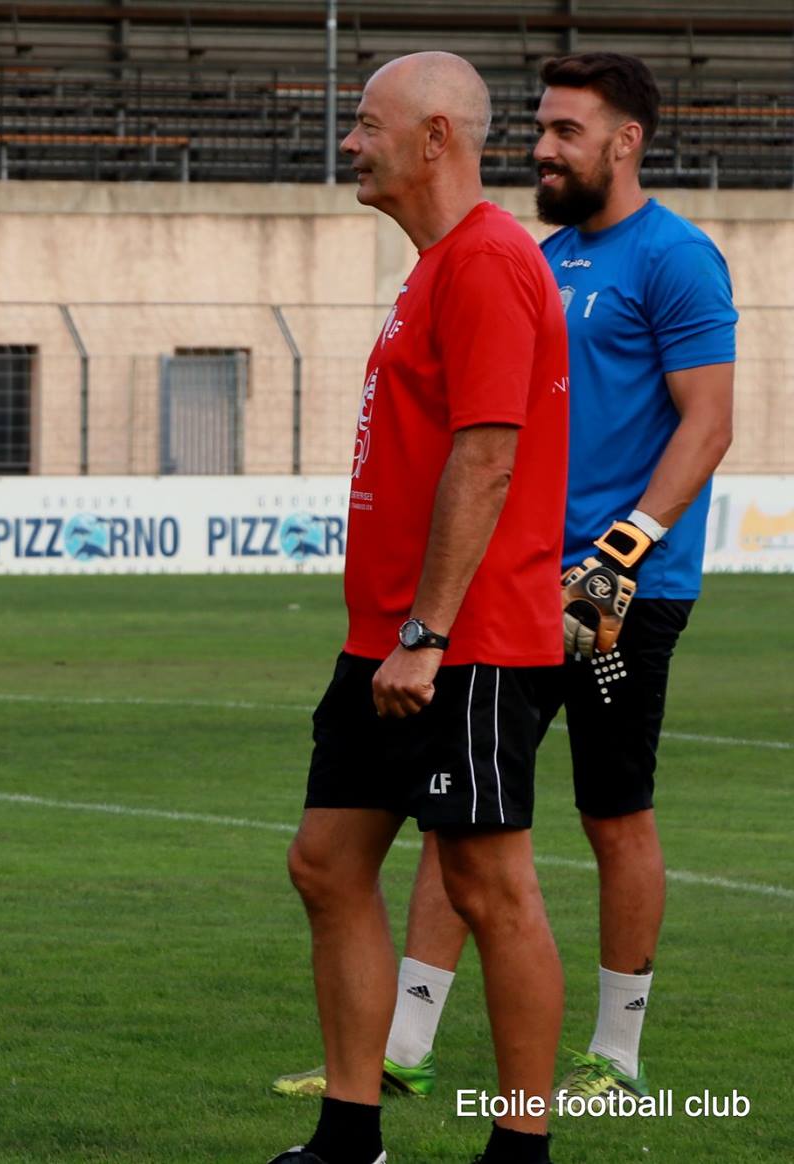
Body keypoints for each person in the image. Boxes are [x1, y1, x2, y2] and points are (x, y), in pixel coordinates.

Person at [270, 51, 735, 1108]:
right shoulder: (533, 255)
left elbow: (703, 424)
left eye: (568, 130)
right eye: (539, 127)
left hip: (588, 593)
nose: (543, 147)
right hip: (488, 584)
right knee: (442, 844)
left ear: (624, 140)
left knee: (601, 818)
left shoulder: (669, 258)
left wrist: (617, 555)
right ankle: (403, 1050)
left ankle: (610, 1057)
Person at [266, 52, 571, 1164]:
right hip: (388, 639)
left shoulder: (486, 263)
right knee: (325, 863)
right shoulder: (434, 266)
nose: (349, 142)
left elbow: (486, 458)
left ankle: (519, 1145)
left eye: (363, 124)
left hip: (461, 643)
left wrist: (427, 634)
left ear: (433, 136)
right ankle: (350, 1135)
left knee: (490, 886)